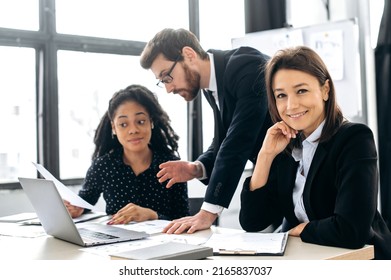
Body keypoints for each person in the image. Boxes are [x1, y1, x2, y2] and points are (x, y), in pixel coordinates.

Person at [239, 46, 391, 259]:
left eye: (301, 90)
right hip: (308, 259)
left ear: (325, 90)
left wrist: (304, 229)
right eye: (281, 95)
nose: (291, 105)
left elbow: (351, 230)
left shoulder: (354, 139)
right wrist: (265, 156)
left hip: (358, 261)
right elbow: (252, 222)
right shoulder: (286, 144)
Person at [140, 28, 272, 234]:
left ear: (189, 55)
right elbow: (224, 138)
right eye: (162, 82)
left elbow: (238, 141)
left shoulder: (246, 67)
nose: (168, 89)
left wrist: (207, 212)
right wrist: (196, 168)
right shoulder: (211, 86)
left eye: (167, 77)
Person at [65, 84, 189, 224]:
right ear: (114, 128)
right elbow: (84, 203)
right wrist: (75, 208)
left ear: (151, 122)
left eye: (140, 121)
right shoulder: (103, 166)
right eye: (123, 124)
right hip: (115, 243)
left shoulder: (172, 166)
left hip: (165, 243)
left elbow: (183, 219)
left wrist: (152, 215)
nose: (133, 130)